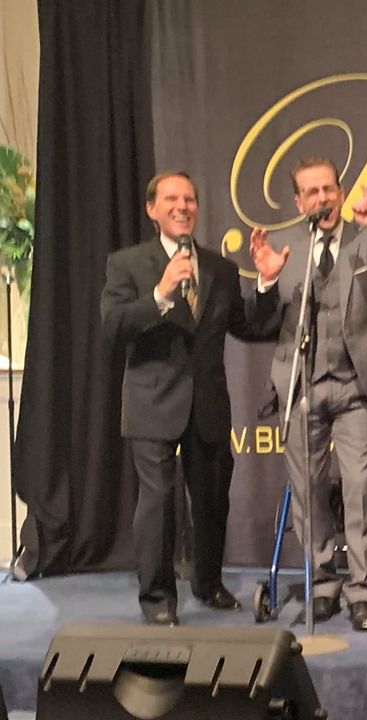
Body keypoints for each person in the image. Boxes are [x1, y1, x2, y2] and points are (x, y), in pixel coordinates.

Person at [247, 157, 367, 632]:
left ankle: (363, 591)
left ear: (340, 194)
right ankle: (322, 583)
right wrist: (266, 281)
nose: (322, 198)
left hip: (354, 387)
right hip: (300, 386)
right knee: (308, 489)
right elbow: (260, 324)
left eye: (329, 189)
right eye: (312, 192)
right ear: (298, 201)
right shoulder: (285, 247)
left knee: (360, 487)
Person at [102, 171, 258, 626]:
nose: (182, 206)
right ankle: (157, 599)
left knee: (211, 500)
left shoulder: (221, 269)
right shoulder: (127, 264)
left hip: (207, 404)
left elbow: (249, 327)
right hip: (152, 402)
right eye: (171, 199)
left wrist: (267, 284)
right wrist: (160, 294)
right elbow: (113, 326)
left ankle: (208, 584)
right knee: (157, 503)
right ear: (152, 210)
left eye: (189, 199)